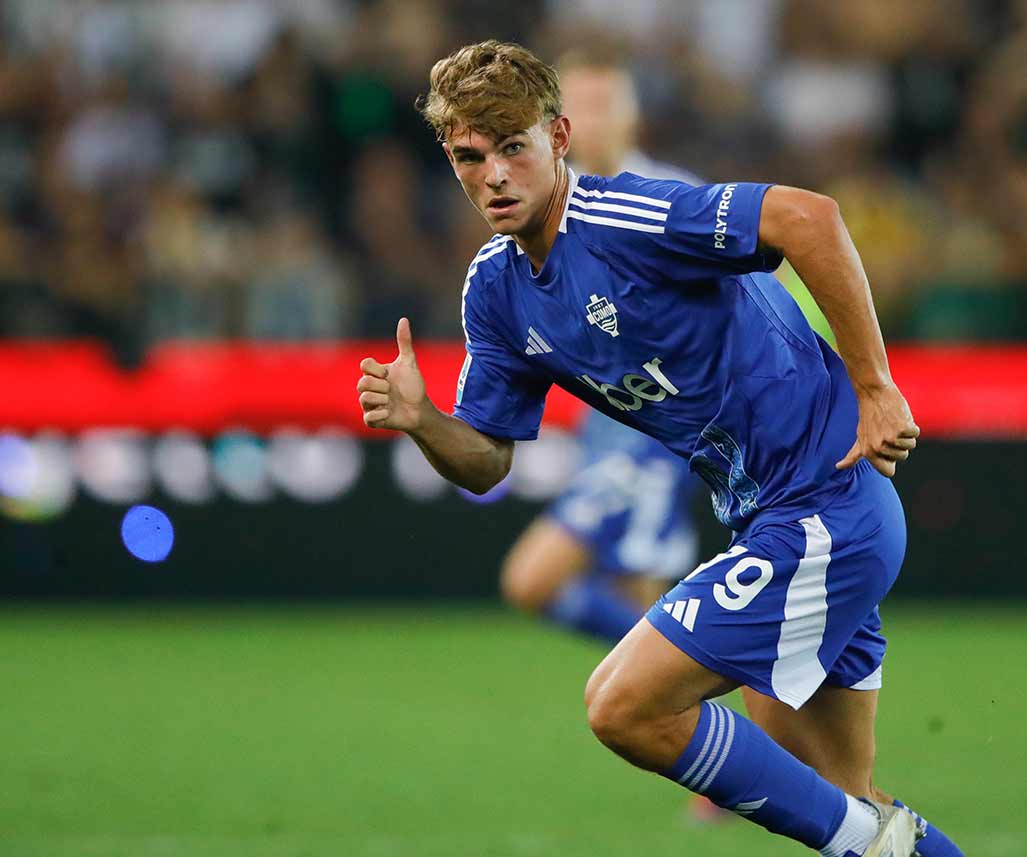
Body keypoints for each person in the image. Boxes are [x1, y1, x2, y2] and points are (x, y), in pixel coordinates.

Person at [357, 41, 966, 857]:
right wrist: (423, 420)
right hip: (771, 519)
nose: (494, 175)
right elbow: (489, 460)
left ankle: (863, 840)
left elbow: (808, 218)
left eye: (513, 148)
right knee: (846, 796)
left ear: (558, 139)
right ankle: (877, 839)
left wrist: (874, 385)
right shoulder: (495, 290)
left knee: (622, 704)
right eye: (471, 157)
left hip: (827, 506)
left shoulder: (627, 217)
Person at [499, 48, 702, 645]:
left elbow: (746, 300)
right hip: (606, 424)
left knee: (532, 578)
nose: (592, 118)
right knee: (640, 593)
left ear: (631, 115)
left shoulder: (675, 195)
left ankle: (692, 671)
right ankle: (675, 683)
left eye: (604, 102)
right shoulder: (543, 211)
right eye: (579, 104)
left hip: (669, 426)